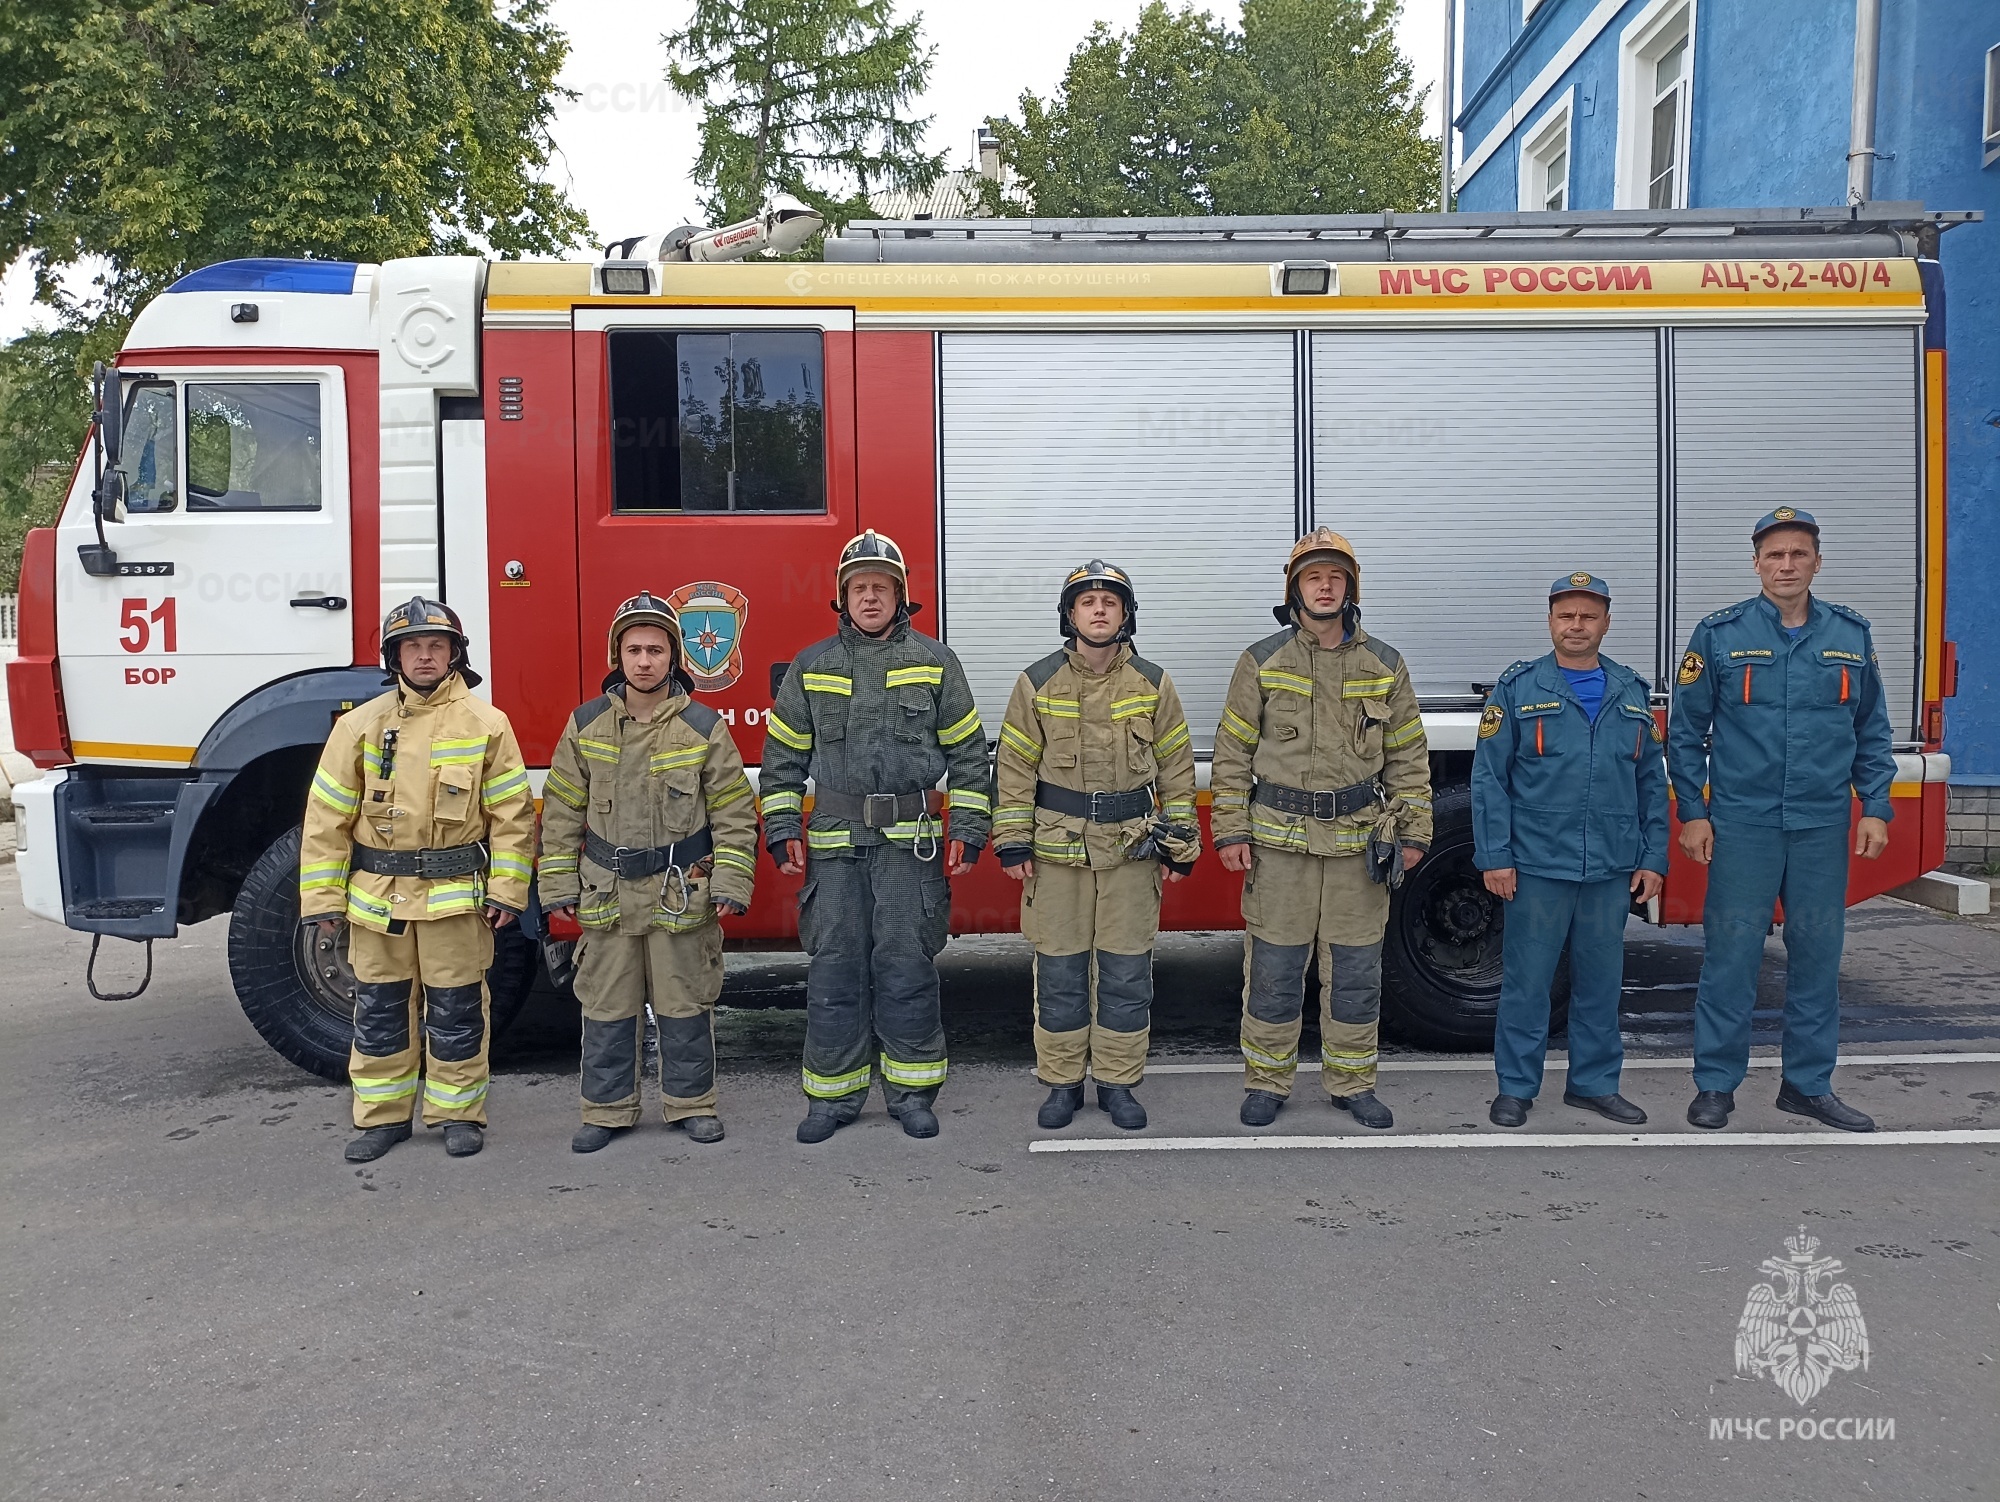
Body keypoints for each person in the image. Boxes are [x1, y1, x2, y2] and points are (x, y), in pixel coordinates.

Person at [760, 531, 994, 1142]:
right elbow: (782, 761)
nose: (869, 597)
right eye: (859, 587)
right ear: (843, 597)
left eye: (881, 587)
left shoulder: (937, 662)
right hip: (834, 848)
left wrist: (968, 828)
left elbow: (969, 756)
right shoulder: (812, 666)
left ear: (901, 596)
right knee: (835, 972)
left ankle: (913, 1094)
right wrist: (783, 826)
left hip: (909, 849)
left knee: (905, 969)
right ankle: (832, 1099)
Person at [1670, 507, 1895, 1133]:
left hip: (1822, 824)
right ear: (1757, 564)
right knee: (1733, 956)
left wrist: (1875, 805)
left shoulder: (1851, 635)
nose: (1786, 565)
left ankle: (1807, 1085)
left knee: (1819, 955)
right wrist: (1694, 813)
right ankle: (1716, 1084)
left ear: (1817, 562)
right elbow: (1686, 734)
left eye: (1799, 554)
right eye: (1774, 555)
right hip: (1743, 824)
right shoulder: (1719, 634)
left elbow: (1872, 730)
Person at [300, 597, 536, 1162]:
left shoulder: (487, 724)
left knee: (457, 1011)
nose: (425, 656)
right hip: (378, 901)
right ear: (395, 657)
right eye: (413, 647)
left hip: (455, 903)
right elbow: (326, 818)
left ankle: (458, 1114)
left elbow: (513, 817)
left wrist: (507, 890)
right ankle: (382, 1118)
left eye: (436, 646)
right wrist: (322, 899)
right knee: (379, 1010)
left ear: (455, 654)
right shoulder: (359, 726)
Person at [1211, 529, 1432, 1130]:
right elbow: (1232, 752)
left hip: (1360, 845)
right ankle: (1266, 1081)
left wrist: (1413, 834)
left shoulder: (1385, 665)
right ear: (1295, 590)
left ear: (1350, 588)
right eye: (1314, 577)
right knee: (1276, 970)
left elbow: (1408, 757)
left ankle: (1352, 1082)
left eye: (1336, 576)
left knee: (1357, 972)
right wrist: (1230, 830)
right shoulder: (1261, 661)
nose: (1325, 585)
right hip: (1279, 845)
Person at [537, 592, 759, 1153]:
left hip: (679, 893)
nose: (643, 661)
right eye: (633, 649)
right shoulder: (585, 725)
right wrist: (557, 886)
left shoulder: (703, 727)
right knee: (607, 1005)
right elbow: (562, 812)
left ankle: (692, 1105)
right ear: (618, 654)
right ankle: (606, 1110)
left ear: (673, 657)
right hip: (607, 893)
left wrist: (732, 881)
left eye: (655, 650)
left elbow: (735, 813)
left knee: (685, 1003)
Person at [993, 561, 1201, 1131]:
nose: (1100, 609)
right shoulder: (1036, 683)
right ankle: (1061, 1083)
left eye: (1111, 600)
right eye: (1088, 601)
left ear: (1127, 614)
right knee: (1059, 972)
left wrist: (1179, 844)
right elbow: (1013, 769)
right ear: (1070, 614)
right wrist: (1012, 842)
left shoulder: (1154, 684)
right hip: (1057, 853)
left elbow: (1178, 772)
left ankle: (1117, 1082)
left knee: (1126, 973)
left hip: (1132, 852)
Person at [1473, 573, 1668, 1129]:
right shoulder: (1518, 689)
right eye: (1566, 615)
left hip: (1609, 866)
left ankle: (1594, 1084)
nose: (1576, 625)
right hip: (1537, 864)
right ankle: (1515, 1088)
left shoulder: (1630, 691)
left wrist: (1653, 857)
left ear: (1606, 622)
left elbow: (1652, 781)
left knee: (1602, 984)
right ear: (1550, 621)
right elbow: (1490, 779)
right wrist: (1496, 855)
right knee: (1528, 983)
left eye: (1588, 615)